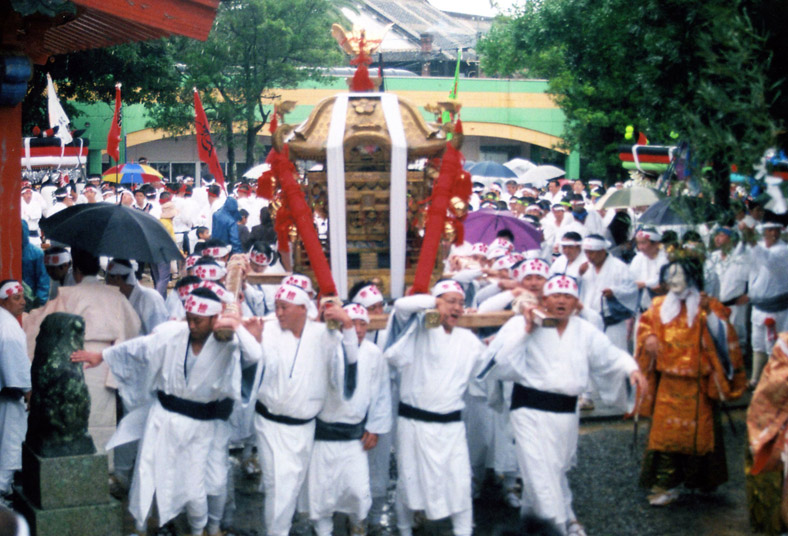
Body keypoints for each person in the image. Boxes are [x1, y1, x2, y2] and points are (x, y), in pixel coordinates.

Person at [71, 287, 262, 536]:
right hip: (165, 419)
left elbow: (255, 355)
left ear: (215, 319)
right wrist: (102, 355)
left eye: (198, 320)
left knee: (200, 487)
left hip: (205, 425)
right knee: (148, 472)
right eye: (189, 317)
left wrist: (235, 325)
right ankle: (140, 527)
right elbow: (141, 347)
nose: (191, 325)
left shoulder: (228, 342)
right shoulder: (174, 333)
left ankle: (203, 529)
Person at [481, 274, 646, 535]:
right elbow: (499, 363)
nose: (560, 301)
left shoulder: (583, 330)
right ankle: (558, 527)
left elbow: (609, 354)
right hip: (529, 411)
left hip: (566, 414)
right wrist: (526, 330)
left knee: (553, 473)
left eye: (567, 296)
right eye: (555, 296)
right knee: (539, 475)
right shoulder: (522, 324)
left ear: (575, 303)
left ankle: (536, 527)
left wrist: (630, 369)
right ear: (544, 299)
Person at [635, 258, 746, 506]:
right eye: (670, 276)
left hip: (699, 386)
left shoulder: (709, 306)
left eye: (679, 276)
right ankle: (665, 485)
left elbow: (726, 337)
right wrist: (649, 337)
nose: (673, 282)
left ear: (692, 279)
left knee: (700, 435)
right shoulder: (657, 305)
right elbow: (643, 328)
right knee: (665, 436)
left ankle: (703, 480)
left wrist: (710, 317)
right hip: (669, 383)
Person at [383, 280, 487, 536]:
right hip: (414, 424)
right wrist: (433, 305)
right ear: (435, 301)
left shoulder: (468, 341)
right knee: (410, 481)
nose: (457, 308)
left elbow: (486, 370)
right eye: (450, 301)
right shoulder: (416, 329)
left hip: (451, 427)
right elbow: (401, 305)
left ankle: (463, 531)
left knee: (459, 482)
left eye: (461, 303)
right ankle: (405, 528)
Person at [253, 283, 358, 536]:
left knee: (290, 486)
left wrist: (348, 325)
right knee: (277, 486)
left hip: (302, 429)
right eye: (276, 307)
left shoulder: (323, 334)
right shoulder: (267, 330)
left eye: (284, 307)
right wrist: (252, 338)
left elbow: (349, 359)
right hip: (267, 423)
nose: (278, 313)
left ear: (303, 309)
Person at [23, 248, 141, 460]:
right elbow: (132, 328)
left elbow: (42, 324)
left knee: (74, 418)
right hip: (106, 361)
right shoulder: (115, 295)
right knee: (102, 419)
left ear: (76, 270)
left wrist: (20, 318)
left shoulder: (69, 295)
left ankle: (76, 465)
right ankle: (103, 470)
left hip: (75, 361)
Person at [301, 303, 392, 536]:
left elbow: (381, 392)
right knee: (322, 492)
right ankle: (323, 531)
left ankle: (357, 524)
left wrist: (375, 427)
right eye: (353, 324)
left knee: (357, 491)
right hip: (324, 434)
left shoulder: (373, 354)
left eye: (363, 324)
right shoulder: (328, 349)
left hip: (355, 435)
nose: (359, 329)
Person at [743, 221, 788, 386]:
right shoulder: (759, 246)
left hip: (776, 309)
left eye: (776, 230)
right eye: (769, 230)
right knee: (757, 343)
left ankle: (772, 383)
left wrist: (752, 242)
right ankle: (755, 379)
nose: (773, 233)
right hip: (758, 305)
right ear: (763, 231)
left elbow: (769, 261)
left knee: (773, 346)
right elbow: (749, 265)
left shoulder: (783, 250)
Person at [578, 234, 638, 351]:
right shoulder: (586, 268)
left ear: (602, 251)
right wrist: (579, 275)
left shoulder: (619, 267)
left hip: (612, 324)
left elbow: (632, 290)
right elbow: (577, 292)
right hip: (591, 323)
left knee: (615, 359)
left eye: (592, 252)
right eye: (586, 253)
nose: (589, 256)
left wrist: (615, 293)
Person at [0, 281, 30, 505]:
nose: (23, 302)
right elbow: (17, 367)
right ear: (3, 300)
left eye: (22, 297)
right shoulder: (9, 328)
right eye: (16, 298)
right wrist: (27, 391)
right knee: (10, 443)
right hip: (9, 396)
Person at [105, 259, 168, 336]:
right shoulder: (119, 301)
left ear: (117, 279)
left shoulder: (150, 298)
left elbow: (160, 335)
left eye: (108, 282)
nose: (107, 286)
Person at [21, 220, 49, 307]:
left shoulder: (37, 254)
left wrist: (39, 303)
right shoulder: (6, 251)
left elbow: (43, 280)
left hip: (31, 299)